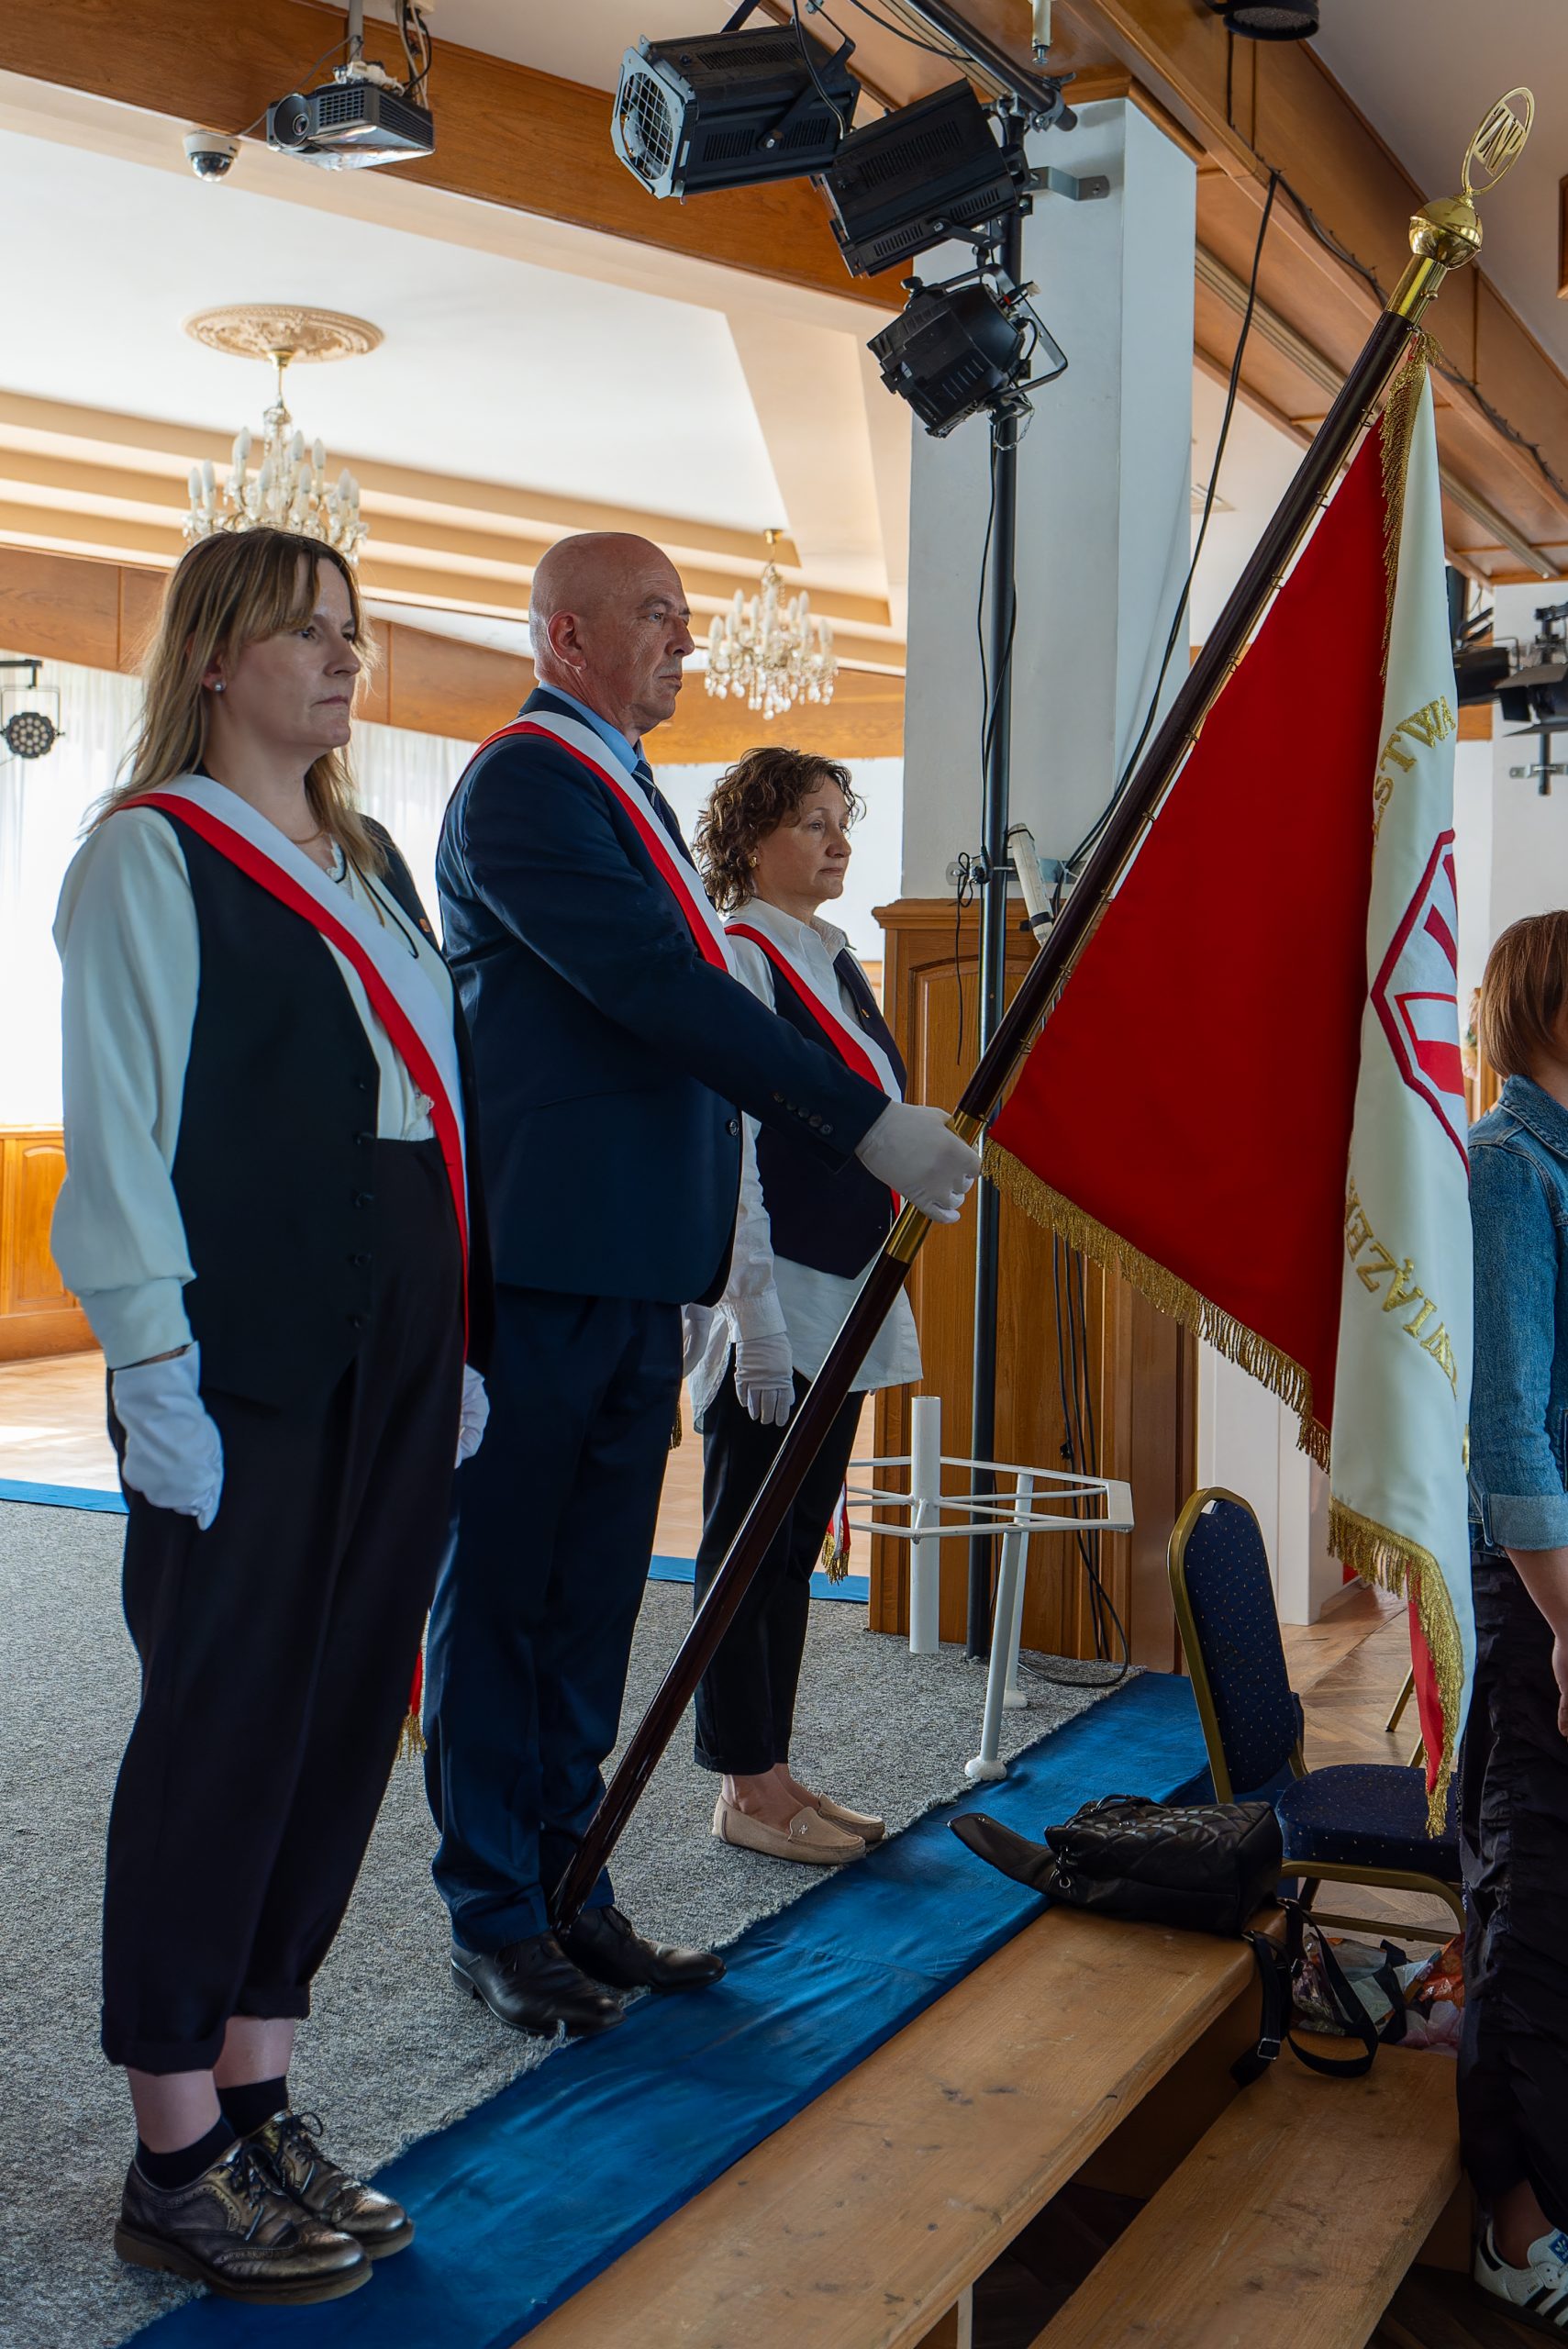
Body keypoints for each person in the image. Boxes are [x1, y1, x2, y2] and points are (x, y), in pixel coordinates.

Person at [424, 530, 979, 2038]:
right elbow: (652, 990)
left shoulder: (627, 788)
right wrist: (859, 1120)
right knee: (509, 1597)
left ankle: (572, 1882)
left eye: (682, 616)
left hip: (628, 1264)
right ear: (565, 635)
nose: (684, 639)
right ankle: (493, 1911)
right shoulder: (526, 782)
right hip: (545, 1260)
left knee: (594, 1601)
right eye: (656, 615)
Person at [51, 528, 491, 2306]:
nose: (340, 658)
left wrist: (454, 1333)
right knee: (224, 1718)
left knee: (340, 1711)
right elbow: (118, 1126)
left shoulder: (368, 861)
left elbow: (429, 1105)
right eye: (304, 631)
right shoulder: (147, 852)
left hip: (400, 1315)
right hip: (236, 1338)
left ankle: (255, 2095)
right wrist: (149, 1363)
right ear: (215, 657)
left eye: (350, 631)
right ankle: (172, 2153)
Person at [687, 747, 919, 1865]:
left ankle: (771, 1765)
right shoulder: (741, 956)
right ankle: (743, 1783)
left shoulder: (827, 955)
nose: (837, 841)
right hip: (777, 1289)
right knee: (746, 1541)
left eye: (841, 819)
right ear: (748, 840)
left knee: (788, 1544)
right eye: (811, 822)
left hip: (843, 1282)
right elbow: (730, 1144)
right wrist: (752, 1313)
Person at [1462, 910, 1568, 2327]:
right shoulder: (1507, 1165)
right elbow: (1508, 1430)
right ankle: (1516, 2224)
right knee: (1544, 1891)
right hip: (1544, 1576)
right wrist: (1563, 1620)